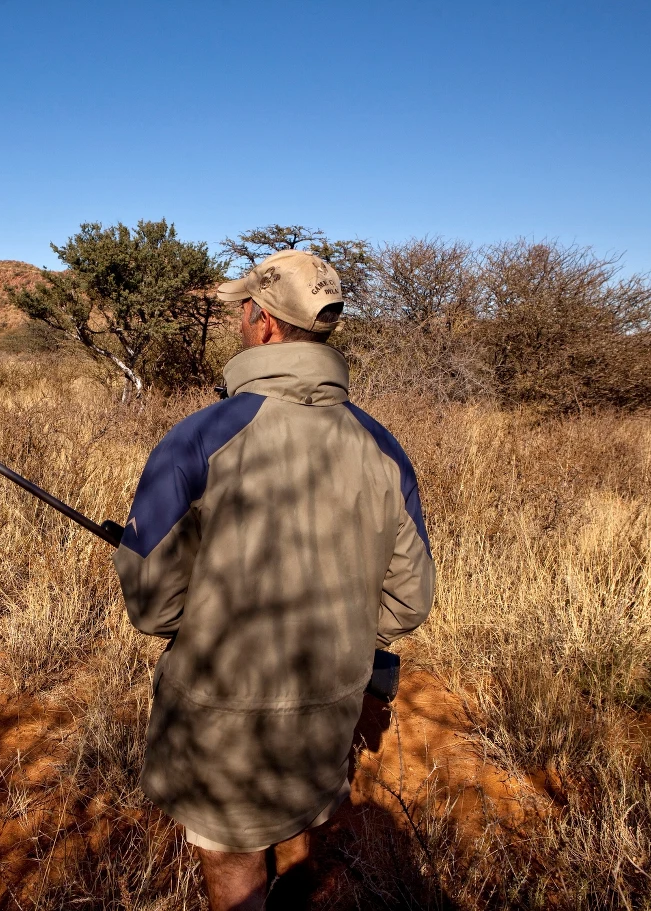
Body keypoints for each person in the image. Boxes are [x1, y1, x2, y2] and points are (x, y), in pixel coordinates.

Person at [114, 250, 435, 909]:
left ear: (261, 323)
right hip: (334, 709)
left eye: (243, 309)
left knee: (235, 867)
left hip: (220, 718)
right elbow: (408, 601)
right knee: (307, 826)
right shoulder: (384, 447)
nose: (239, 319)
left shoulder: (197, 439)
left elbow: (150, 605)